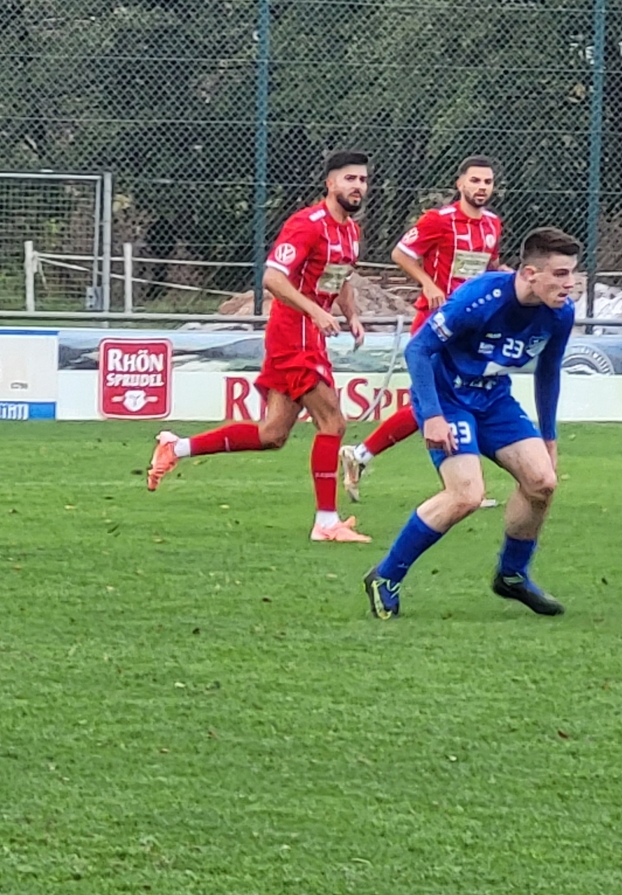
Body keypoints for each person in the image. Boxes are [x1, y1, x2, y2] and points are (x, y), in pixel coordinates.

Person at [148, 150, 371, 543]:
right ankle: (325, 522)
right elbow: (273, 278)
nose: (358, 186)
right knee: (333, 423)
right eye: (349, 178)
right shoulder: (306, 225)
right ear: (330, 183)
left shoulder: (351, 231)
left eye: (363, 180)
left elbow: (341, 278)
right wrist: (315, 311)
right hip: (292, 335)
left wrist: (350, 314)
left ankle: (175, 447)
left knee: (273, 434)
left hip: (310, 336)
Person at [362, 227, 580, 620]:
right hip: (448, 398)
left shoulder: (560, 313)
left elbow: (549, 371)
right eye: (561, 274)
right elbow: (419, 349)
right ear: (530, 273)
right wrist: (432, 415)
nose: (570, 284)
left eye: (572, 274)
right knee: (466, 495)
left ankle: (512, 576)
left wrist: (549, 437)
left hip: (494, 399)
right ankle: (386, 576)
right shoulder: (480, 298)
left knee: (542, 482)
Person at [341, 156, 504, 500]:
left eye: (487, 182)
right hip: (435, 321)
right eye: (475, 181)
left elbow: (489, 266)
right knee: (435, 402)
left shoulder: (492, 224)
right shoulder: (439, 220)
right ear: (460, 184)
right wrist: (428, 284)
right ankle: (460, 486)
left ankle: (361, 455)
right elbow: (401, 253)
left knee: (437, 402)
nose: (481, 188)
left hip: (470, 328)